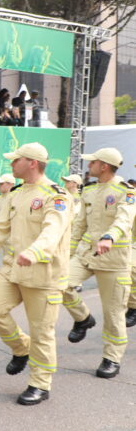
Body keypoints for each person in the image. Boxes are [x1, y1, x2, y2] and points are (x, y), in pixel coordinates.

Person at [0, 143, 72, 405]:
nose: (11, 163)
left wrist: (35, 252)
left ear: (32, 163)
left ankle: (40, 383)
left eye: (16, 159)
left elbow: (53, 229)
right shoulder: (16, 194)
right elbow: (0, 228)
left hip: (43, 273)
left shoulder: (57, 196)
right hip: (12, 268)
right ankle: (21, 347)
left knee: (42, 331)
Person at [62, 147, 136, 379]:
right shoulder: (89, 190)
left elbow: (125, 219)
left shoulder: (127, 192)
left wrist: (109, 236)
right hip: (86, 254)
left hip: (114, 259)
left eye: (92, 162)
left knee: (114, 314)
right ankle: (83, 318)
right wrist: (67, 254)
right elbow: (79, 226)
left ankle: (111, 358)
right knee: (59, 283)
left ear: (104, 166)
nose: (89, 165)